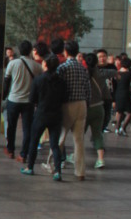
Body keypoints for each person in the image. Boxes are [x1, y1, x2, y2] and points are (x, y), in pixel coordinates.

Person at [20, 54, 65, 180]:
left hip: (41, 114)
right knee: (54, 144)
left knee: (34, 141)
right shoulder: (61, 81)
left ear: (45, 64)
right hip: (56, 115)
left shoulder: (38, 80)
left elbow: (32, 99)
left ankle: (30, 167)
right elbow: (64, 98)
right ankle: (57, 171)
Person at [3, 40, 42, 161]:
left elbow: (6, 81)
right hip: (28, 102)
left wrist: (4, 96)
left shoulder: (13, 63)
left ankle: (10, 150)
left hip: (13, 100)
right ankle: (23, 154)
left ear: (19, 51)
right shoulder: (37, 66)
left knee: (11, 126)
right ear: (30, 50)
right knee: (27, 129)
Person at [58, 39, 91, 180]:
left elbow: (58, 86)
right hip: (82, 104)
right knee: (79, 140)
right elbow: (88, 88)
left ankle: (54, 165)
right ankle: (80, 172)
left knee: (61, 137)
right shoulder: (82, 68)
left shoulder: (63, 68)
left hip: (67, 104)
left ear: (65, 52)